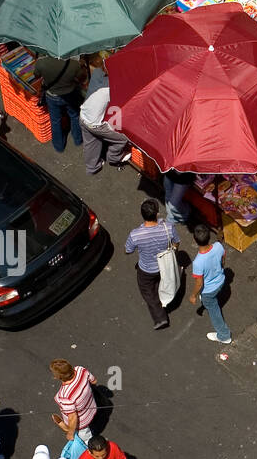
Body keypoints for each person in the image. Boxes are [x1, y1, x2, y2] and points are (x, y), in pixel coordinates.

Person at [125, 199, 180, 330]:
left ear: (142, 214)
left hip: (146, 270)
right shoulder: (169, 227)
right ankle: (165, 298)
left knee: (148, 292)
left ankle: (160, 318)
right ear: (157, 213)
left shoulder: (135, 234)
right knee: (163, 283)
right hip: (164, 267)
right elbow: (176, 242)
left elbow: (128, 250)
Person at [79, 53, 129, 175]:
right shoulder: (113, 86)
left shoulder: (96, 73)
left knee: (91, 143)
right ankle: (114, 158)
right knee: (122, 139)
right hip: (96, 125)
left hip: (83, 115)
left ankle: (92, 167)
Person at [187, 223, 232, 343]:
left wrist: (193, 295)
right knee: (214, 300)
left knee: (214, 310)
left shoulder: (198, 262)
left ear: (194, 240)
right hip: (221, 280)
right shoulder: (218, 246)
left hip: (208, 291)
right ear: (209, 236)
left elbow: (199, 284)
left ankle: (224, 335)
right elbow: (223, 261)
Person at [32, 54, 85, 154]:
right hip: (70, 93)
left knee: (55, 120)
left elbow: (36, 75)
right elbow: (81, 77)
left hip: (52, 95)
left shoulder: (41, 63)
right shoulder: (74, 64)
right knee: (74, 115)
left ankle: (59, 146)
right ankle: (78, 139)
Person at [50, 359, 98, 443]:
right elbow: (94, 381)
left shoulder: (65, 396)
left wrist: (70, 434)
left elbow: (72, 417)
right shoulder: (80, 370)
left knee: (86, 438)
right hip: (92, 407)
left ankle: (89, 445)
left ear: (57, 377)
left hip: (82, 422)